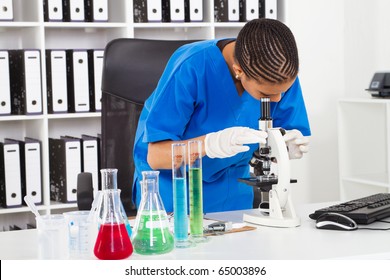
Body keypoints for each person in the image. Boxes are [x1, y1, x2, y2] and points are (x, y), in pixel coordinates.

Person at [132, 18, 311, 213]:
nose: (277, 99)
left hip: (232, 189)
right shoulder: (192, 67)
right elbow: (157, 156)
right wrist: (210, 144)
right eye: (266, 95)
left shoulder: (278, 70)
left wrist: (284, 147)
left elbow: (285, 132)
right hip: (174, 190)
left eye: (283, 91)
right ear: (238, 71)